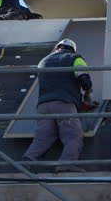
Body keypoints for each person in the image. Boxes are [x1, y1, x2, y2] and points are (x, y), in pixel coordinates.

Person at [22, 39, 92, 173]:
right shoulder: (75, 57)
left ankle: (29, 160)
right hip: (64, 103)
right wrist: (88, 91)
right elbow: (83, 77)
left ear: (57, 48)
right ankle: (66, 164)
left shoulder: (43, 61)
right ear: (72, 49)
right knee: (72, 136)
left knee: (43, 137)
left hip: (43, 106)